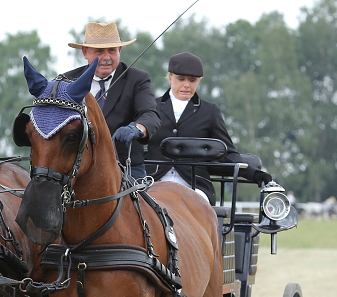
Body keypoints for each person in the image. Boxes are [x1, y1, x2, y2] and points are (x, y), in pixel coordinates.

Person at [145, 52, 271, 205]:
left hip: (194, 184)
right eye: (181, 79)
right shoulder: (151, 107)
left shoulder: (209, 111)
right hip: (153, 180)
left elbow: (227, 152)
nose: (187, 85)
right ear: (170, 78)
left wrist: (255, 174)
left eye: (192, 80)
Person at [64, 21, 160, 180]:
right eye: (99, 51)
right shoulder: (68, 81)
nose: (106, 58)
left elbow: (150, 114)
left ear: (120, 50)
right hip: (76, 168)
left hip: (125, 167)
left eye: (111, 50)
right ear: (85, 52)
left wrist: (137, 128)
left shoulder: (137, 79)